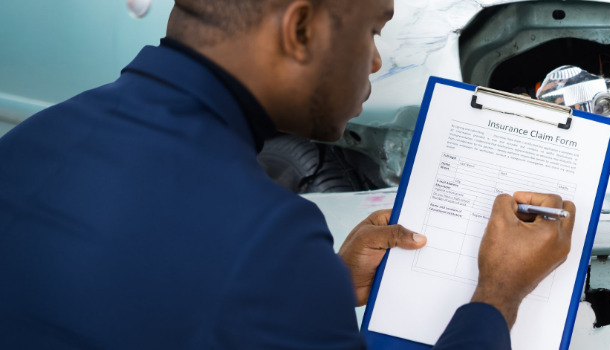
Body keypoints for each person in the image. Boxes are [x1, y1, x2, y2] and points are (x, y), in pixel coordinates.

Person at [0, 0, 576, 349]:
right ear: (300, 30)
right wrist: (499, 294)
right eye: (373, 30)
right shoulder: (269, 243)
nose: (376, 60)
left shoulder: (31, 141)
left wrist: (320, 288)